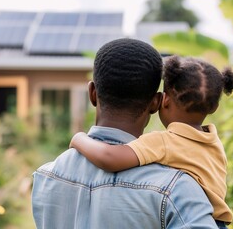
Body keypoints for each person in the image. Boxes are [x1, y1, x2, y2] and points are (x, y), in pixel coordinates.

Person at [32, 38, 219, 228]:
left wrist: (78, 138)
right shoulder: (175, 190)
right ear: (156, 102)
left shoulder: (45, 176)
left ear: (92, 93)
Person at [69, 55, 233, 227]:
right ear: (214, 107)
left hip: (191, 219)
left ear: (164, 100)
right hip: (216, 221)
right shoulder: (213, 140)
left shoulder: (164, 142)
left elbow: (109, 158)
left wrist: (79, 139)